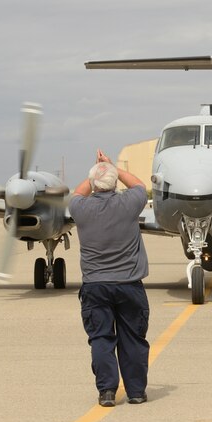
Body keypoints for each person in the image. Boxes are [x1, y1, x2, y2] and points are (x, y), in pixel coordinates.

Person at [69, 149, 150, 407]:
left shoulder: (79, 208)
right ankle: (136, 392)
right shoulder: (129, 203)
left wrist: (94, 172)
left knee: (101, 339)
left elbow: (77, 192)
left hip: (95, 286)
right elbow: (138, 184)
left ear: (93, 184)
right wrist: (112, 166)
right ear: (115, 183)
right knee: (133, 339)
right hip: (129, 285)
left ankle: (107, 392)